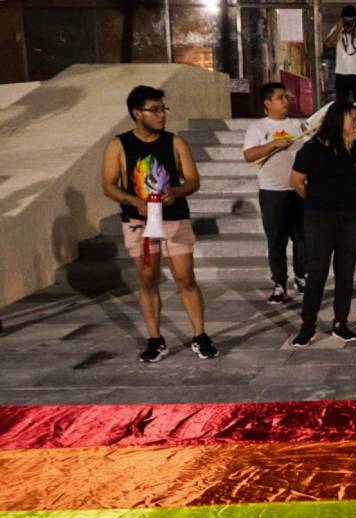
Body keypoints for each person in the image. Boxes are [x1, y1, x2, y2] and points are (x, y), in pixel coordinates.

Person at [101, 85, 217, 362]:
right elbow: (108, 185)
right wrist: (134, 201)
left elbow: (192, 180)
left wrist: (175, 192)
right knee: (148, 279)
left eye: (163, 109)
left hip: (174, 219)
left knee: (186, 278)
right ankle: (155, 338)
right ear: (136, 113)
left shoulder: (174, 142)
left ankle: (200, 335)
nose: (162, 115)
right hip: (138, 223)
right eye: (155, 110)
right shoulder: (119, 144)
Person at [289, 101, 356, 347]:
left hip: (351, 218)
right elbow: (296, 181)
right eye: (353, 120)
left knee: (345, 272)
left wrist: (351, 199)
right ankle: (307, 326)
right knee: (317, 273)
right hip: (319, 218)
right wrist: (319, 200)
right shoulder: (312, 149)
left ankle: (341, 322)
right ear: (338, 121)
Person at [243, 82, 306, 305]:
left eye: (286, 97)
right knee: (277, 240)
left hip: (298, 190)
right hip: (272, 192)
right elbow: (249, 156)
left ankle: (301, 276)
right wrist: (273, 145)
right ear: (267, 103)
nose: (286, 101)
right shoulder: (258, 128)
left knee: (302, 238)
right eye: (280, 97)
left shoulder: (297, 125)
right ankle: (279, 283)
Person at [324, 4, 356, 145]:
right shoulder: (338, 27)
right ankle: (338, 134)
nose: (349, 23)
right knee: (340, 106)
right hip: (341, 73)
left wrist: (354, 31)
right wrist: (339, 27)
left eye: (351, 20)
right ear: (342, 19)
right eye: (347, 20)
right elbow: (328, 43)